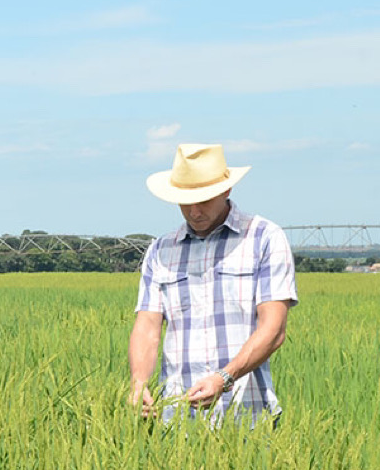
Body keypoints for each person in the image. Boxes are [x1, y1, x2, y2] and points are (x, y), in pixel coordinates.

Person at [128, 143, 298, 427]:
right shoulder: (161, 250)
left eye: (204, 200)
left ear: (226, 190)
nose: (194, 211)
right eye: (185, 201)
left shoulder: (264, 238)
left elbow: (274, 329)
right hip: (174, 420)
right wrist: (138, 383)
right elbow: (147, 326)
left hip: (248, 418)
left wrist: (224, 377)